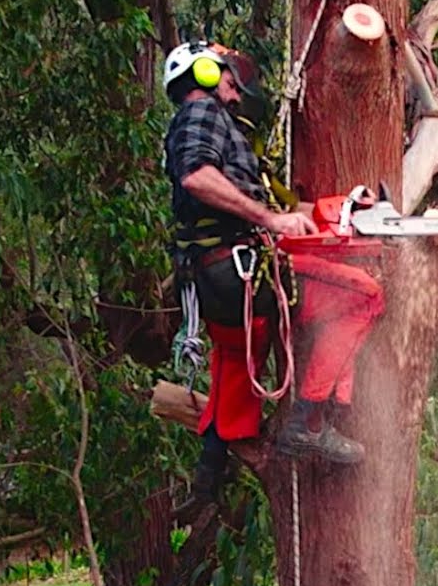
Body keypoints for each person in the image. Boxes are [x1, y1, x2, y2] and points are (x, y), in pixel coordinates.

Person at [162, 41, 384, 523]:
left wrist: (333, 213)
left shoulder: (219, 128)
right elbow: (197, 176)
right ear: (201, 72)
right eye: (226, 76)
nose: (235, 91)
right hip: (237, 269)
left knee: (233, 367)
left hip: (220, 275)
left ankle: (207, 480)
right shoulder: (201, 113)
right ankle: (308, 419)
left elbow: (271, 208)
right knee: (364, 295)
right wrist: (270, 219)